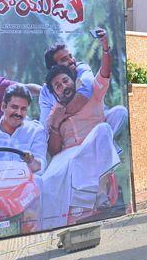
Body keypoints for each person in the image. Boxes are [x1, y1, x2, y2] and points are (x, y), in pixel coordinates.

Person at [40, 64, 122, 228]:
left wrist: (106, 50)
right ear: (55, 93)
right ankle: (56, 225)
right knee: (47, 182)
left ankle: (100, 194)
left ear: (73, 81)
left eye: (65, 81)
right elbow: (54, 150)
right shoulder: (54, 112)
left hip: (92, 146)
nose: (63, 86)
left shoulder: (92, 94)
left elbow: (104, 74)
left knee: (104, 129)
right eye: (58, 86)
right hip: (67, 154)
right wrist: (55, 124)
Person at [39, 29, 128, 138]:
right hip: (72, 133)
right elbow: (45, 126)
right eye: (64, 59)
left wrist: (58, 117)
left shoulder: (81, 69)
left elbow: (82, 97)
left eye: (70, 56)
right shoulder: (46, 92)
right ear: (54, 68)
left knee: (120, 112)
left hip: (98, 121)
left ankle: (98, 141)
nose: (71, 61)